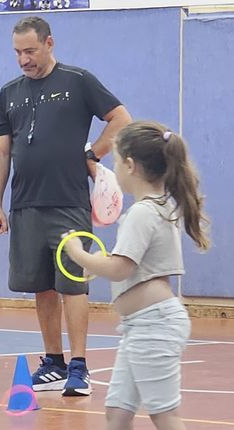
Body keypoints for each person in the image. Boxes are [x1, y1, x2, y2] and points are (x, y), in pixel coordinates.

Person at [0, 16, 132, 396]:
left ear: (49, 44)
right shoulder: (9, 93)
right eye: (17, 52)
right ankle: (53, 363)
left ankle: (80, 366)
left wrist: (92, 152)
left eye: (30, 51)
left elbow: (121, 119)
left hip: (69, 203)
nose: (23, 60)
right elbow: (2, 151)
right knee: (41, 286)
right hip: (25, 204)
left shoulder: (77, 81)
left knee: (72, 284)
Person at [62, 121, 207, 429]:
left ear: (130, 165)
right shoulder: (157, 207)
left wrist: (79, 253)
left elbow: (120, 268)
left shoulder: (143, 213)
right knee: (117, 413)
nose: (116, 168)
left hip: (153, 326)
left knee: (164, 416)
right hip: (139, 327)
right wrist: (99, 261)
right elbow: (126, 263)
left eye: (116, 161)